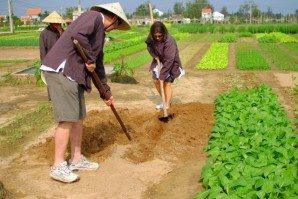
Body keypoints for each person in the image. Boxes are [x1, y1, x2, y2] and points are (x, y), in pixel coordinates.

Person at [40, 2, 131, 183]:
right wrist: (90, 58)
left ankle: (76, 159)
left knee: (78, 117)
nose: (114, 30)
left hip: (75, 76)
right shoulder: (93, 16)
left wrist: (106, 92)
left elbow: (97, 66)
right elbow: (77, 35)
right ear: (113, 18)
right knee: (67, 118)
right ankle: (58, 166)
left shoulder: (100, 34)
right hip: (62, 71)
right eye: (116, 26)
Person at [145, 21, 185, 110]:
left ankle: (167, 105)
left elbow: (169, 60)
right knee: (156, 81)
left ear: (164, 33)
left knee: (166, 83)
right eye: (156, 36)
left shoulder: (169, 41)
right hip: (159, 60)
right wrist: (154, 56)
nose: (158, 38)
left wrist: (162, 76)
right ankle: (164, 99)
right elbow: (149, 46)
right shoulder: (152, 36)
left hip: (171, 64)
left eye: (160, 36)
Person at [39, 11, 64, 100]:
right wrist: (44, 63)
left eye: (59, 23)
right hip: (49, 60)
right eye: (56, 23)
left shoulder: (62, 32)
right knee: (51, 79)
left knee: (62, 79)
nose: (58, 24)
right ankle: (52, 98)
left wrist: (61, 32)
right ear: (51, 23)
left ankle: (61, 97)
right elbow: (42, 50)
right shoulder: (44, 33)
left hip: (62, 60)